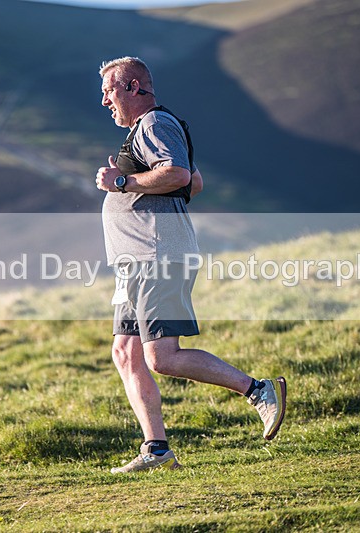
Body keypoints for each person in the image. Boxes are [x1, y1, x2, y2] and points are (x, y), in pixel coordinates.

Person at [95, 57, 286, 473]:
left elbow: (179, 175)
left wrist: (122, 183)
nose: (105, 101)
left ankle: (258, 390)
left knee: (162, 357)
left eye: (109, 92)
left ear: (131, 87)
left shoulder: (154, 125)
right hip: (136, 262)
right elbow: (194, 182)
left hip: (156, 257)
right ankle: (157, 451)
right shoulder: (146, 131)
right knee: (126, 353)